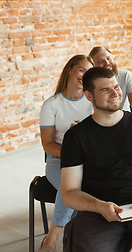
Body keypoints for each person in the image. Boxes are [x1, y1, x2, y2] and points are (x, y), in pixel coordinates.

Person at [60, 67, 132, 252]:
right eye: (105, 90)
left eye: (116, 87)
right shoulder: (75, 137)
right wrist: (99, 206)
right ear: (89, 95)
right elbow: (69, 192)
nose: (115, 93)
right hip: (98, 210)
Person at [38, 55, 94, 252]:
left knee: (77, 187)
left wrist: (85, 134)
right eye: (81, 70)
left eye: (88, 72)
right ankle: (57, 237)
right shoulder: (52, 104)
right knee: (69, 185)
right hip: (58, 160)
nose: (83, 75)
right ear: (69, 70)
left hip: (90, 161)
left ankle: (52, 240)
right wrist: (71, 153)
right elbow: (47, 144)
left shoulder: (93, 102)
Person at [89, 46, 132, 111]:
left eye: (108, 58)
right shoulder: (90, 82)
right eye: (100, 61)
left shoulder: (126, 76)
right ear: (93, 66)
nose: (107, 63)